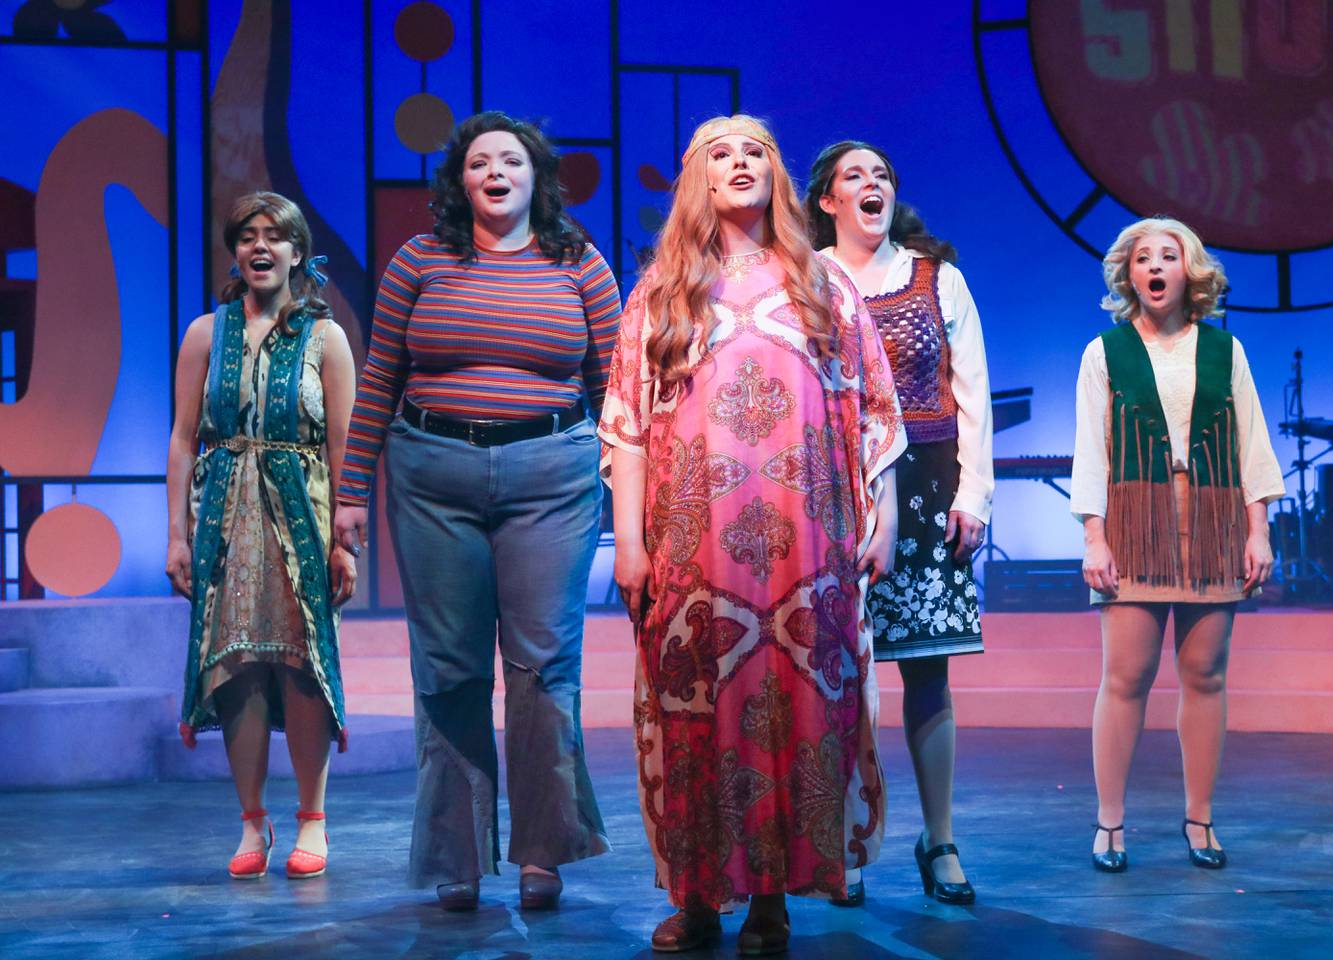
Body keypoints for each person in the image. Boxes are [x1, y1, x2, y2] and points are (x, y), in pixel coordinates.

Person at [599, 115, 906, 955]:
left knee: (792, 710)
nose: (739, 165)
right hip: (693, 543)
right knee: (698, 707)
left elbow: (874, 411)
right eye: (720, 155)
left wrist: (881, 518)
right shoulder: (663, 287)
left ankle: (771, 894)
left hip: (807, 550)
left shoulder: (823, 284)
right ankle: (698, 894)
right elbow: (625, 425)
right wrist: (629, 541)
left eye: (755, 154)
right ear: (697, 178)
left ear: (775, 175)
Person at [332, 111, 619, 912]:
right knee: (449, 667)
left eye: (512, 160)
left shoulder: (579, 264)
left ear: (537, 177)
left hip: (552, 475)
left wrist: (632, 496)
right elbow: (379, 377)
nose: (496, 171)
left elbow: (617, 392)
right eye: (480, 162)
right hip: (433, 478)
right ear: (460, 181)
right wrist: (351, 492)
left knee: (543, 663)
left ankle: (543, 850)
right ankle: (458, 855)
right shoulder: (418, 262)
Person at [805, 140, 992, 906]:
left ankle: (939, 838)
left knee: (928, 671)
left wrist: (973, 494)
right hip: (830, 488)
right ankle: (846, 840)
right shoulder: (805, 280)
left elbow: (971, 388)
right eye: (855, 176)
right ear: (827, 201)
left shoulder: (936, 279)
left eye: (882, 174)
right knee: (837, 675)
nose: (871, 185)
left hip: (924, 489)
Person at [1072, 217, 1283, 873]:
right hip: (1135, 518)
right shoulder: (1104, 352)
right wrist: (1094, 538)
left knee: (1206, 675)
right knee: (1127, 675)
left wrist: (1259, 529)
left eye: (1170, 255)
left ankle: (1200, 819)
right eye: (1144, 257)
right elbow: (1091, 452)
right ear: (1128, 274)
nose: (1156, 266)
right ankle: (1110, 824)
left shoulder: (1226, 350)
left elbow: (1252, 444)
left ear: (1189, 270)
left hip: (1215, 515)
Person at [166, 191, 356, 881]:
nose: (260, 246)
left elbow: (344, 448)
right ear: (236, 251)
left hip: (299, 517)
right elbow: (184, 441)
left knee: (299, 663)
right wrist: (176, 536)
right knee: (235, 667)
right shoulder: (203, 335)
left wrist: (346, 540)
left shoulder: (324, 337)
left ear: (297, 253)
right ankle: (252, 819)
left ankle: (312, 816)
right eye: (248, 235)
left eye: (274, 235)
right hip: (222, 517)